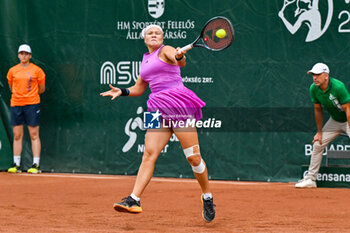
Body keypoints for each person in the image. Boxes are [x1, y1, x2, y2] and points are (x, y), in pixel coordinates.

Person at [100, 24, 216, 222]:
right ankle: (134, 199)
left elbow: (180, 61)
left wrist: (179, 56)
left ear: (162, 38)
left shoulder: (167, 50)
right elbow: (139, 87)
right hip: (155, 108)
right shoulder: (145, 60)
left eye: (157, 33)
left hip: (178, 104)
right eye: (150, 33)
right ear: (145, 39)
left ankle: (207, 197)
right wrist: (123, 91)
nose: (154, 35)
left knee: (194, 158)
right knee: (148, 154)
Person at [295, 63, 350, 188]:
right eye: (313, 74)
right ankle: (310, 179)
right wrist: (319, 132)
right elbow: (318, 110)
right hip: (335, 121)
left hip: (348, 119)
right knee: (317, 144)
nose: (315, 77)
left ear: (326, 76)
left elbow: (348, 110)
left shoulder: (338, 87)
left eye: (318, 74)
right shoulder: (313, 89)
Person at [7, 44, 46, 174]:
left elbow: (42, 89)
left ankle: (36, 164)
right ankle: (16, 164)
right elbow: (11, 87)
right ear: (18, 55)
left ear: (30, 56)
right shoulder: (12, 71)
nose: (23, 56)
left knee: (34, 134)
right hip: (16, 104)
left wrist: (30, 96)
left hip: (32, 104)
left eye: (26, 54)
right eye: (21, 53)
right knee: (17, 135)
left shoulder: (37, 71)